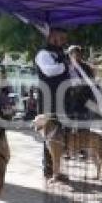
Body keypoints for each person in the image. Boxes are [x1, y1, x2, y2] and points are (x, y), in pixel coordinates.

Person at [35, 26, 69, 179]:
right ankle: (49, 170)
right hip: (48, 101)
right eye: (60, 39)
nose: (62, 42)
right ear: (51, 37)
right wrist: (66, 65)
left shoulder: (61, 55)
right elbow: (50, 70)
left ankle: (57, 171)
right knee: (49, 135)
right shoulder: (43, 54)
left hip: (60, 100)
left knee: (59, 137)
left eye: (64, 40)